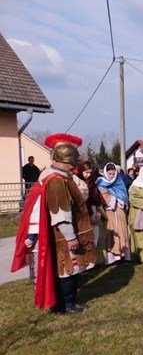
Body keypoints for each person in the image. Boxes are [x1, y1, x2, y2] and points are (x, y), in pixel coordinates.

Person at [11, 133, 97, 313]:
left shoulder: (56, 176)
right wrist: (71, 237)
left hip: (60, 235)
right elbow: (60, 213)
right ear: (66, 162)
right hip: (63, 236)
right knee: (68, 270)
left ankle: (66, 302)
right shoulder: (57, 181)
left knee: (66, 270)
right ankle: (66, 304)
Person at [96, 163, 132, 264]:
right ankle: (112, 257)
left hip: (120, 210)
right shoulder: (100, 182)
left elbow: (124, 196)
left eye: (113, 173)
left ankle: (123, 255)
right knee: (111, 234)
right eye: (110, 173)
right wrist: (113, 199)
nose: (111, 176)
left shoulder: (119, 181)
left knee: (122, 232)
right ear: (105, 173)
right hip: (108, 212)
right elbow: (101, 197)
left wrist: (121, 201)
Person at [78, 161, 106, 247]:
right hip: (80, 212)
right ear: (81, 171)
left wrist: (97, 213)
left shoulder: (92, 183)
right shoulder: (76, 182)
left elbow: (97, 200)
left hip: (92, 211)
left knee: (94, 236)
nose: (89, 175)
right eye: (86, 172)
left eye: (90, 172)